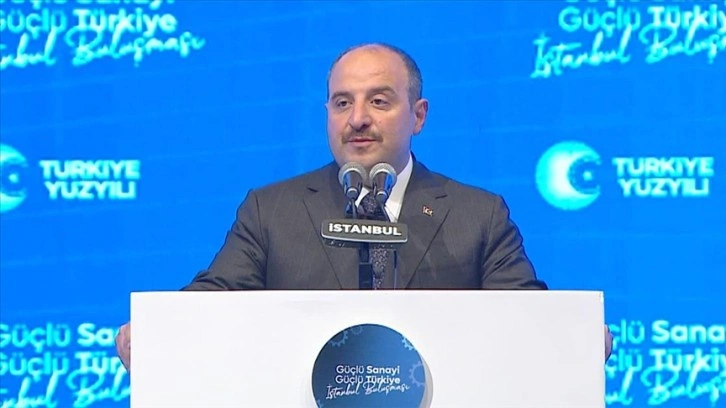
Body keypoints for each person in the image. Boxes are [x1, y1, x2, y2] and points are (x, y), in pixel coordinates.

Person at [115, 42, 612, 371]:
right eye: (342, 103)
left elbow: (525, 315)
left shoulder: (477, 214)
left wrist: (575, 337)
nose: (357, 119)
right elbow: (214, 298)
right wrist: (158, 333)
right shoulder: (271, 210)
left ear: (418, 115)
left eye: (378, 101)